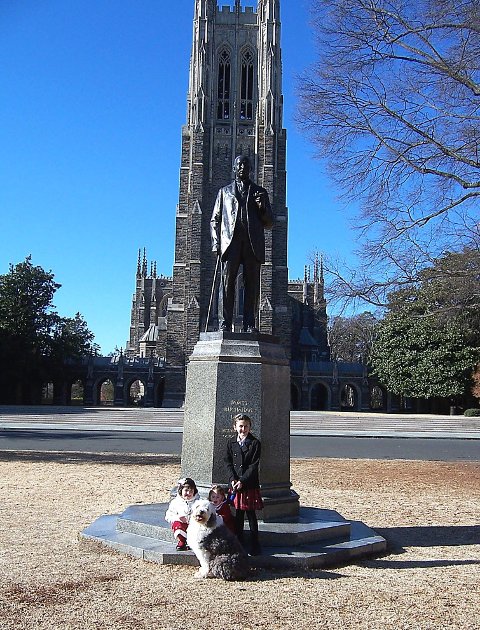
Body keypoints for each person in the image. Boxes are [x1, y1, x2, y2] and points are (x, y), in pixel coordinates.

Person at [210, 155, 273, 332]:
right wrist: (216, 243)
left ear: (251, 169)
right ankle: (225, 322)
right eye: (239, 165)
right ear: (234, 169)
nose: (242, 168)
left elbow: (269, 223)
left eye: (246, 165)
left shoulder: (260, 192)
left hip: (252, 243)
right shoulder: (224, 192)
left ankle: (250, 323)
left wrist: (262, 208)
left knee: (251, 285)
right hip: (231, 243)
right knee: (227, 283)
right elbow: (214, 220)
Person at [225, 413, 263, 555]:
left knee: (251, 515)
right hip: (236, 484)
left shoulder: (255, 443)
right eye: (240, 426)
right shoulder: (231, 442)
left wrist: (242, 481)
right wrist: (233, 479)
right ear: (235, 427)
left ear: (250, 427)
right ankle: (239, 542)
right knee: (239, 515)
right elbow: (227, 462)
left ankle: (255, 544)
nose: (243, 429)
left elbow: (253, 466)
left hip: (248, 484)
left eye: (246, 426)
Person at [165, 477, 199, 551]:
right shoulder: (176, 502)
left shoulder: (198, 502)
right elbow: (168, 515)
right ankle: (182, 541)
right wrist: (178, 518)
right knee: (177, 524)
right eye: (186, 490)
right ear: (181, 491)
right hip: (182, 525)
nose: (188, 493)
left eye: (191, 491)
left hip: (194, 525)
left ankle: (193, 543)